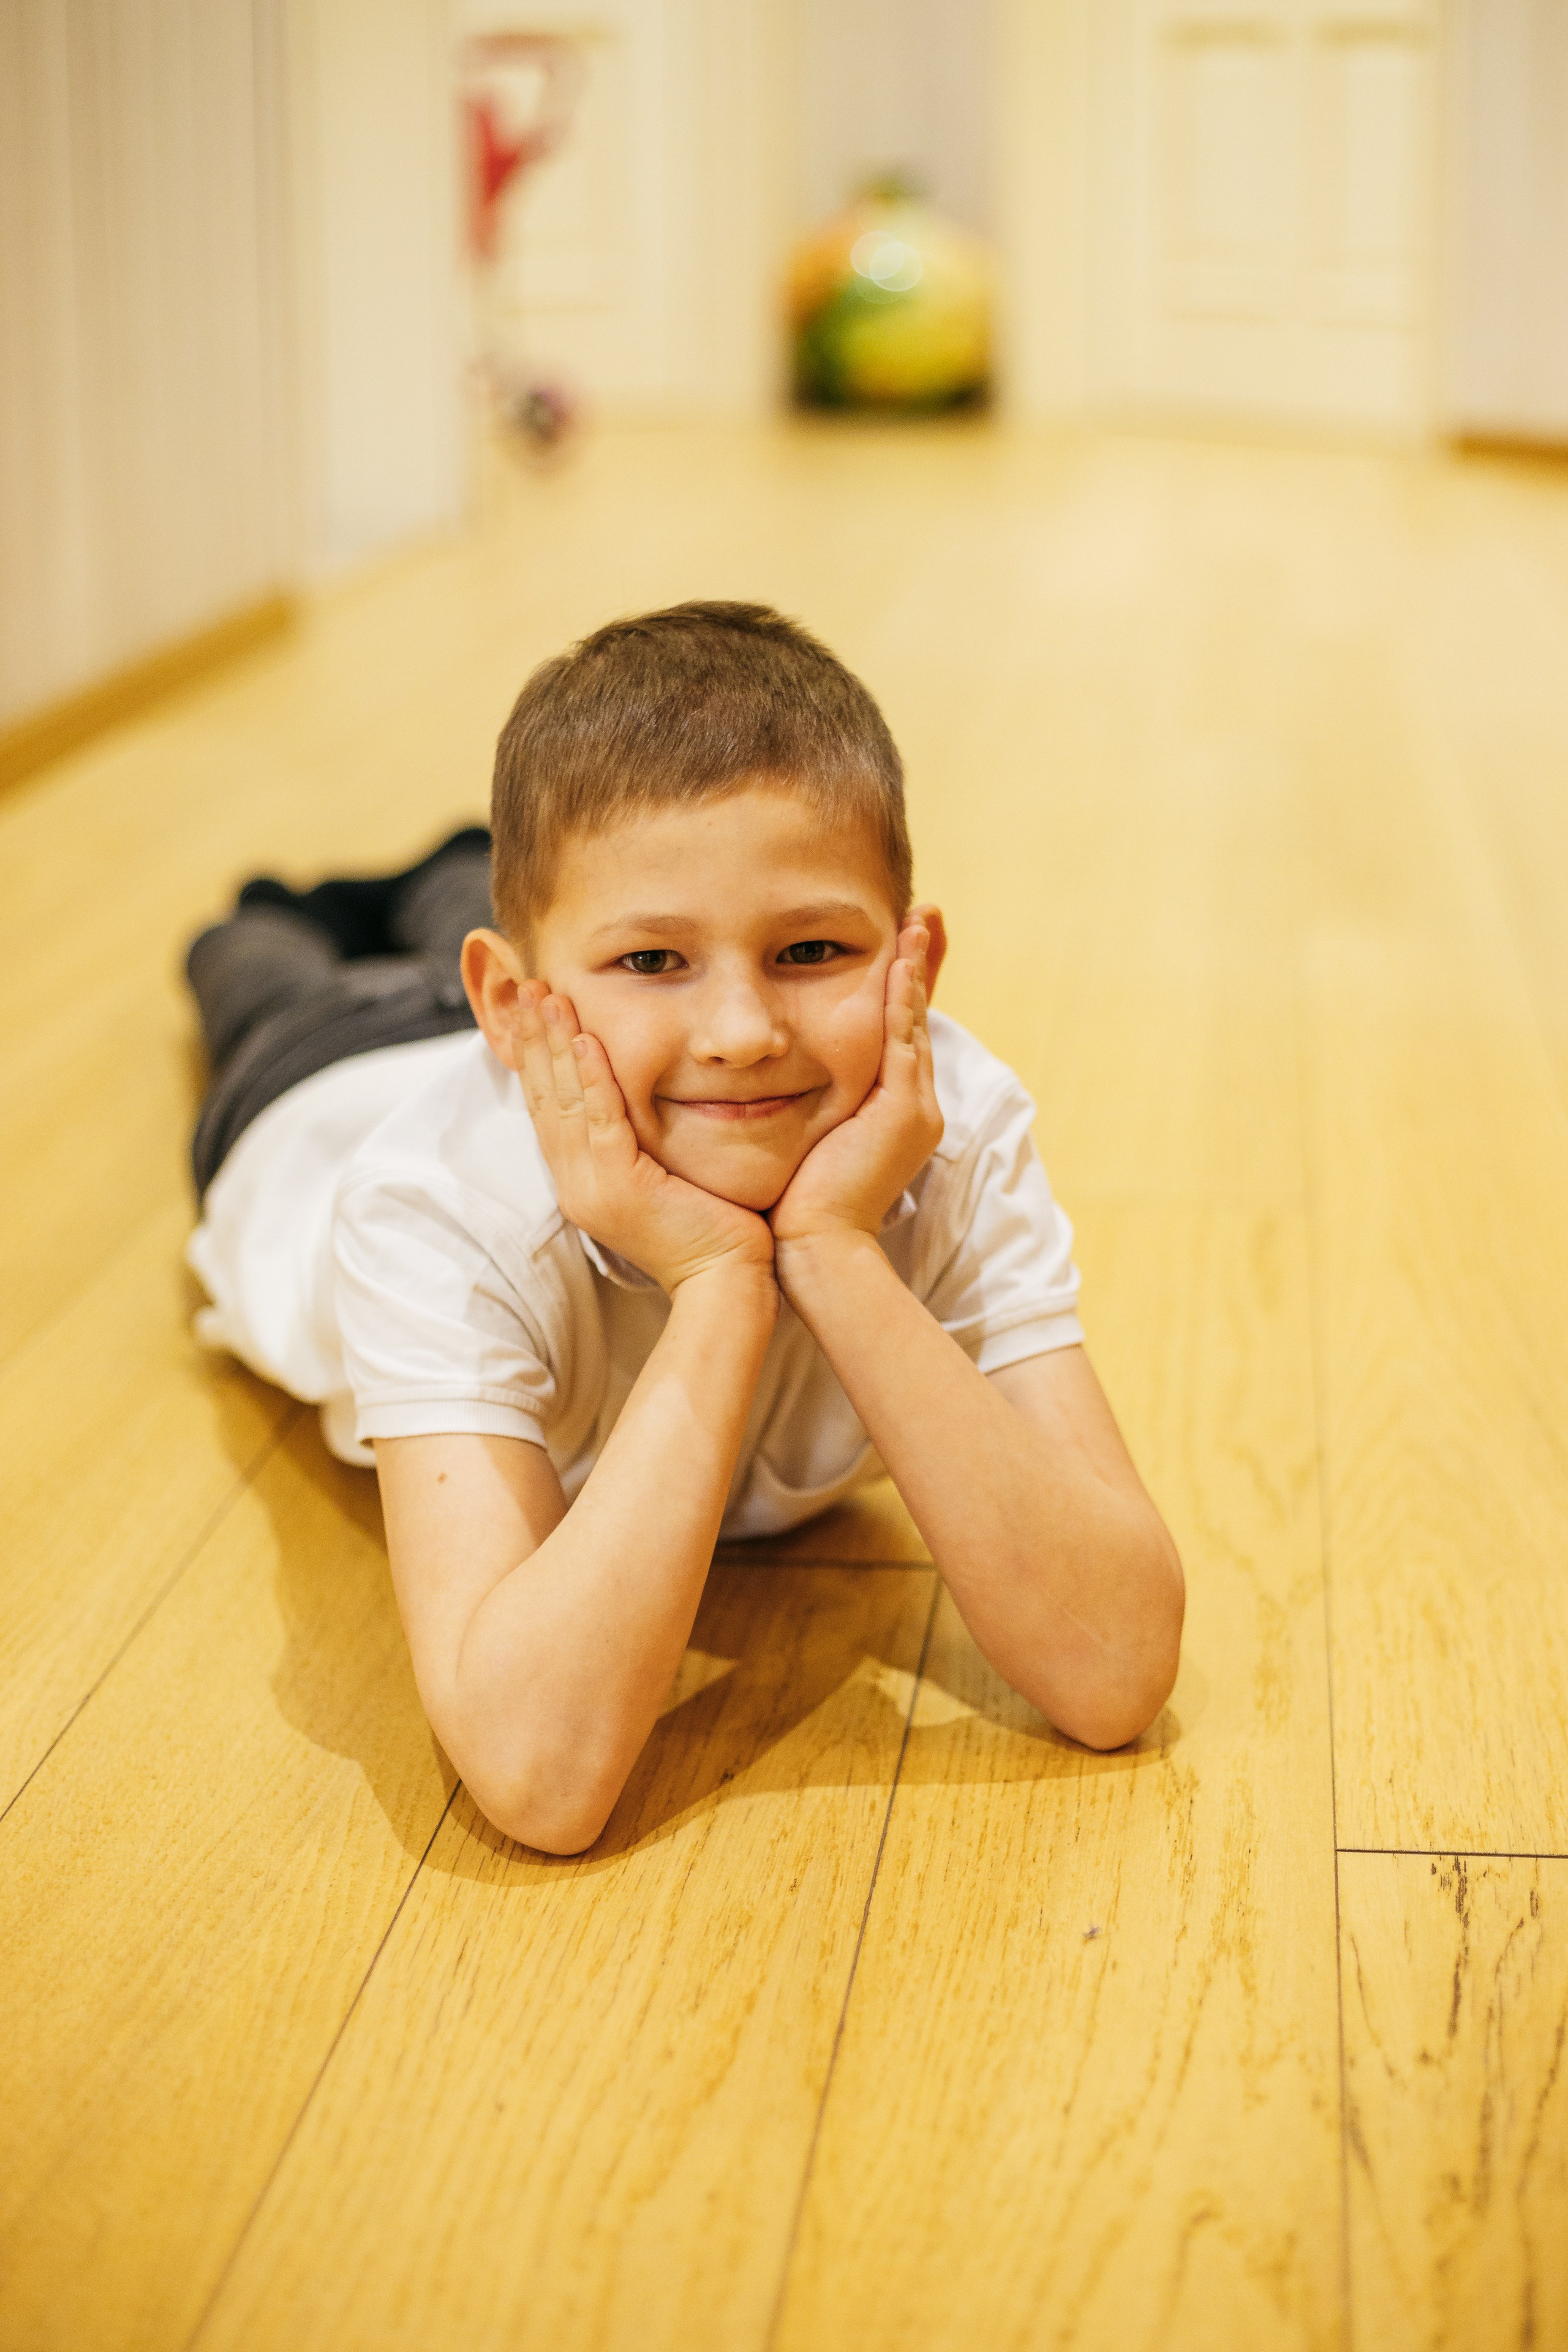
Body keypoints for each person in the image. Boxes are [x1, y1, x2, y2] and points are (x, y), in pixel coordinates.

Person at [186, 601, 1183, 1853]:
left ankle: (481, 880)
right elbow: (538, 1778)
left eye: (811, 948)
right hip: (321, 1082)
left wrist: (827, 1249)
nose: (743, 1031)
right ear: (515, 1000)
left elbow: (1117, 1670)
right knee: (263, 957)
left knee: (552, 896)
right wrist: (718, 1279)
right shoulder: (429, 1200)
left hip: (587, 1054)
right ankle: (331, 915)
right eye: (657, 961)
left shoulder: (945, 1120)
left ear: (910, 964)